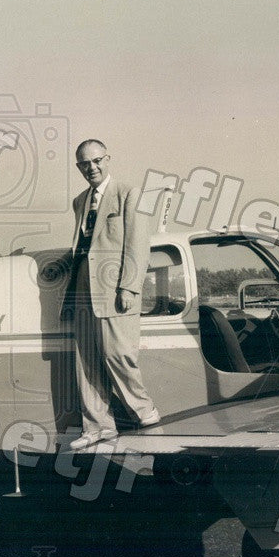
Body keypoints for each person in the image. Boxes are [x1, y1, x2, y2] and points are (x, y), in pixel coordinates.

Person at [63, 139, 161, 449]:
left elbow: (137, 244)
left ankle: (147, 414)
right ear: (79, 167)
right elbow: (84, 250)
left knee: (118, 355)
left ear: (108, 159)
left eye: (96, 161)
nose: (91, 167)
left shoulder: (129, 194)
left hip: (115, 291)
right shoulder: (80, 201)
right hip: (83, 291)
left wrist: (129, 287)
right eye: (84, 164)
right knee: (87, 363)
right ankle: (98, 428)